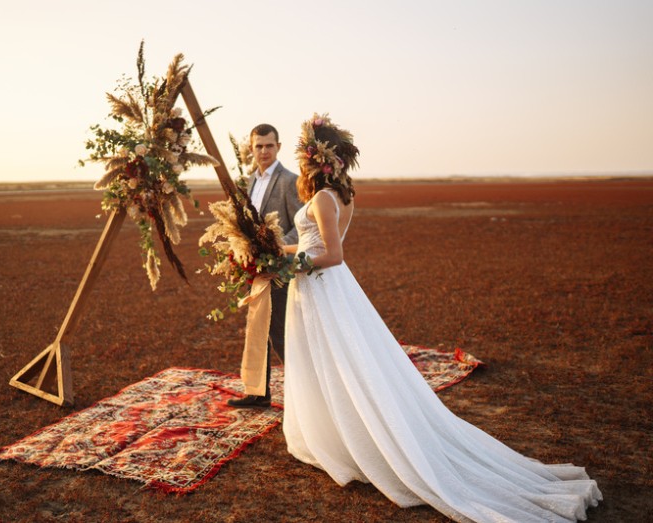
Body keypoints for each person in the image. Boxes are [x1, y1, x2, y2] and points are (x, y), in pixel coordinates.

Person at [279, 114, 602, 522]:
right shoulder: (341, 196)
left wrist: (291, 266)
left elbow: (332, 254)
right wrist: (279, 251)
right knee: (330, 363)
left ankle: (356, 442)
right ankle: (340, 435)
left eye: (303, 151)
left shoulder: (324, 198)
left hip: (322, 285)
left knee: (338, 364)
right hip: (327, 288)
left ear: (315, 158)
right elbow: (315, 244)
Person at [227, 123, 303, 408]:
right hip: (255, 268)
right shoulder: (247, 183)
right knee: (257, 328)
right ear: (251, 149)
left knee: (280, 331)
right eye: (258, 146)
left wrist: (277, 251)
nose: (263, 151)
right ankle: (259, 393)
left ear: (278, 147)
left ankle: (304, 394)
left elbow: (300, 226)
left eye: (269, 145)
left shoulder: (289, 181)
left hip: (279, 268)